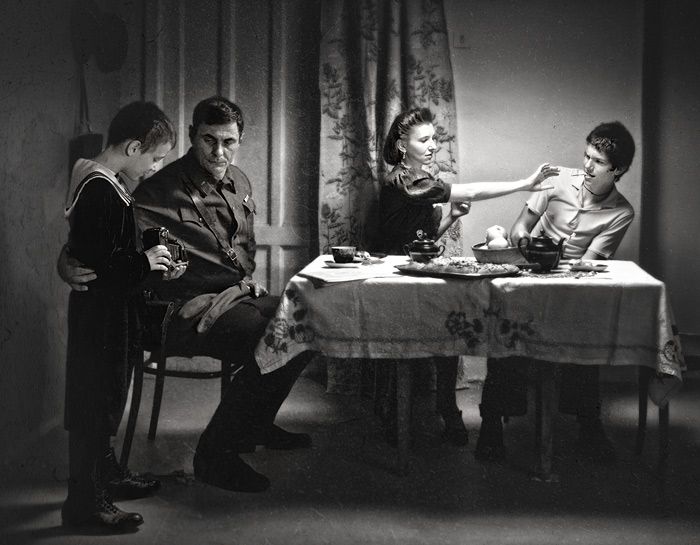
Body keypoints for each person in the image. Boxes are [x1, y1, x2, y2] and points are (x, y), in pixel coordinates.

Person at [59, 96, 312, 494]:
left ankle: (255, 424)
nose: (219, 152)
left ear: (241, 139)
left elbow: (242, 249)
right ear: (193, 136)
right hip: (178, 311)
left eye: (229, 141)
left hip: (233, 297)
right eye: (209, 140)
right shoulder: (159, 188)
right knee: (269, 336)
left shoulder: (240, 182)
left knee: (307, 323)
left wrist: (246, 283)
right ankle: (215, 456)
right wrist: (66, 258)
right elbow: (103, 234)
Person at [377, 107, 559, 446]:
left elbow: (420, 243)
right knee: (438, 334)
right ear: (402, 145)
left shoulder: (418, 179)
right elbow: (471, 191)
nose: (433, 146)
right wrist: (524, 184)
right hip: (391, 277)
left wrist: (451, 218)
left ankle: (446, 410)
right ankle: (426, 413)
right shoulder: (406, 180)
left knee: (450, 329)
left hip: (411, 270)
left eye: (434, 139)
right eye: (424, 140)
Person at [474, 121, 636, 464]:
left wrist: (560, 266)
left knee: (584, 329)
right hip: (529, 271)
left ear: (618, 170)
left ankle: (588, 425)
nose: (587, 166)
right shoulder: (557, 179)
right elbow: (520, 227)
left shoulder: (621, 212)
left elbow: (590, 262)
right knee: (506, 330)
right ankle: (491, 423)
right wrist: (524, 243)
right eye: (586, 156)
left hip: (573, 284)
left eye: (598, 162)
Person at [61, 102, 180, 529]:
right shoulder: (101, 189)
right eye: (155, 158)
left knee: (105, 399)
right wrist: (146, 262)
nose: (155, 167)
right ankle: (86, 503)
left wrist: (149, 259)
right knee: (96, 405)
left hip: (104, 312)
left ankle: (106, 476)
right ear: (132, 148)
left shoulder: (94, 175)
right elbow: (108, 267)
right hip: (104, 317)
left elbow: (95, 247)